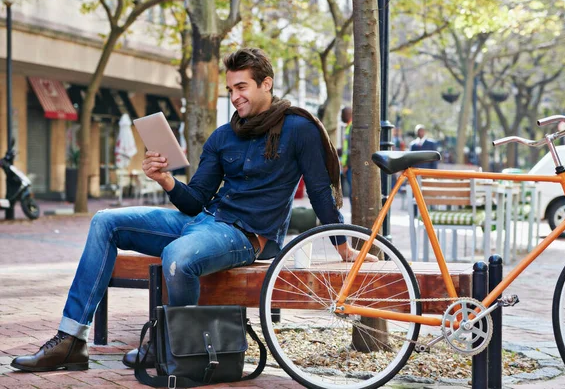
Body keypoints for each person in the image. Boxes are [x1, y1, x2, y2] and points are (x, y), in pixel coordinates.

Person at [10, 48, 377, 373]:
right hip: (202, 221)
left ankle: (170, 346)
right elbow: (197, 198)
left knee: (177, 255)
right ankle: (71, 341)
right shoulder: (223, 136)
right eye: (230, 89)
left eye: (242, 87)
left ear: (266, 84)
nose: (234, 97)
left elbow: (318, 191)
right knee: (105, 221)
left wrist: (342, 244)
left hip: (246, 236)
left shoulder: (299, 129)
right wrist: (166, 180)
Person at [340, 106, 352, 199]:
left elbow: (351, 149)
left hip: (350, 167)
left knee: (353, 192)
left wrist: (347, 165)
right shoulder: (348, 127)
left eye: (343, 114)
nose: (341, 116)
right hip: (347, 166)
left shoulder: (352, 127)